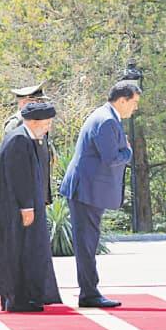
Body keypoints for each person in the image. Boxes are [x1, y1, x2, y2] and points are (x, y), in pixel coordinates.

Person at [59, 82, 141, 308]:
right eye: (134, 103)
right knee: (86, 243)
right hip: (86, 190)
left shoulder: (105, 116)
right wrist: (128, 151)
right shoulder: (106, 121)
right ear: (122, 100)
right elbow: (111, 157)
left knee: (88, 242)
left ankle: (89, 291)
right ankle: (89, 293)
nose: (135, 109)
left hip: (87, 189)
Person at [0, 102, 61, 313]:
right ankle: (18, 300)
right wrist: (27, 208)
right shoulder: (19, 140)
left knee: (24, 251)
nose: (48, 127)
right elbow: (20, 178)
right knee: (17, 252)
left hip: (15, 209)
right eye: (46, 123)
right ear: (34, 122)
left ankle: (24, 297)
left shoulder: (25, 138)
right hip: (12, 211)